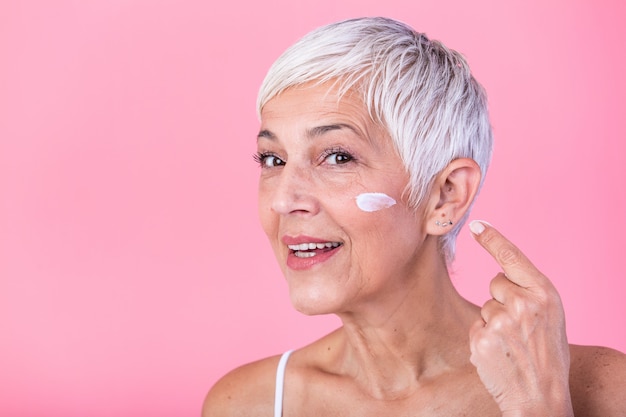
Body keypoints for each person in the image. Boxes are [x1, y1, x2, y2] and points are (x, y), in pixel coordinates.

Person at [203, 17, 626, 416]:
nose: (282, 201)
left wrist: (539, 408)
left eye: (336, 157)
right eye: (272, 159)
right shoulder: (247, 404)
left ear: (445, 196)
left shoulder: (601, 389)